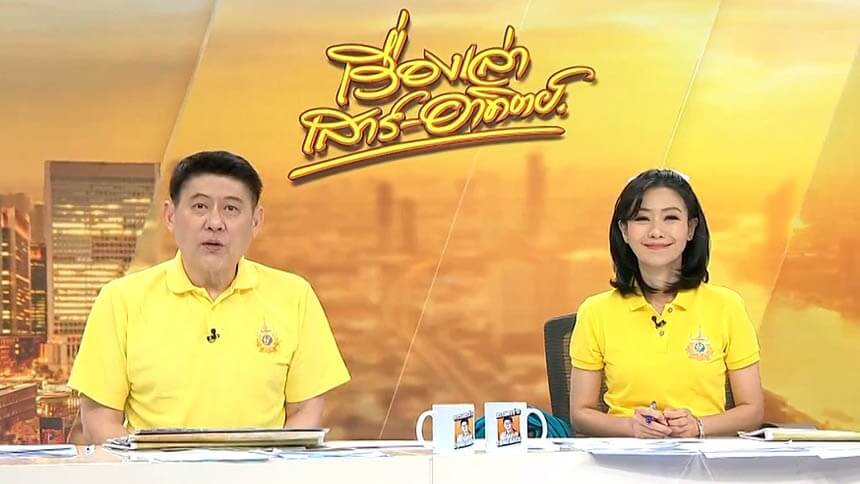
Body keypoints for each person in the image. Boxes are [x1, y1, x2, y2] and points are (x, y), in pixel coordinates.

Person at [68, 150, 351, 444]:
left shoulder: (295, 296)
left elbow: (306, 410)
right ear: (170, 216)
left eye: (231, 209)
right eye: (200, 206)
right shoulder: (120, 300)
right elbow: (99, 418)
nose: (215, 223)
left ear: (256, 221)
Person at [569, 169, 763, 438]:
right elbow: (580, 414)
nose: (656, 231)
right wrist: (630, 427)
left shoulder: (727, 306)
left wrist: (698, 426)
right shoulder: (594, 312)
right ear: (624, 231)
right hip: (627, 456)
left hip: (704, 456)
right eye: (642, 218)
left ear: (691, 228)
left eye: (670, 218)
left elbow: (752, 411)